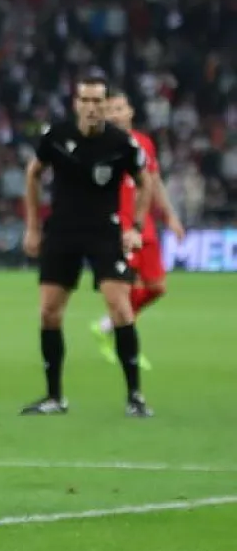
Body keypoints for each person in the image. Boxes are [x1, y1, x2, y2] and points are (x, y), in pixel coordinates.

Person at [21, 74, 153, 418]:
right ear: (76, 103)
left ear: (106, 105)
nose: (92, 107)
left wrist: (136, 227)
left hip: (104, 231)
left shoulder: (121, 143)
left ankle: (135, 396)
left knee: (120, 307)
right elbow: (33, 173)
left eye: (98, 101)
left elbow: (145, 181)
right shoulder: (56, 136)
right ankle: (54, 397)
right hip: (62, 231)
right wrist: (33, 227)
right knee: (49, 312)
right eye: (86, 100)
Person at [91, 89, 186, 368]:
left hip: (144, 226)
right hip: (119, 228)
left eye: (120, 108)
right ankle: (129, 351)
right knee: (124, 290)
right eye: (110, 110)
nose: (116, 114)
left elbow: (154, 182)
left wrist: (170, 216)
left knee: (157, 287)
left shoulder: (144, 143)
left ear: (130, 111)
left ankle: (107, 326)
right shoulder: (99, 147)